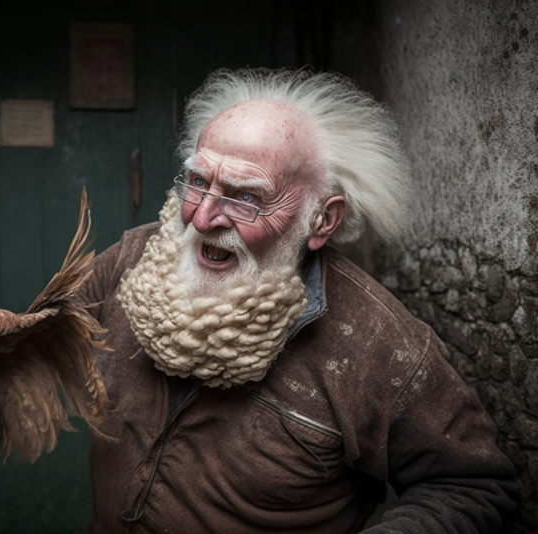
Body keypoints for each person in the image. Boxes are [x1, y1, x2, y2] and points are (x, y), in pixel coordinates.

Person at [80, 68, 520, 533]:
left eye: (245, 196)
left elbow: (475, 487)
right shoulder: (132, 259)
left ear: (322, 220)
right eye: (199, 182)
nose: (203, 218)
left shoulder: (377, 345)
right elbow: (44, 333)